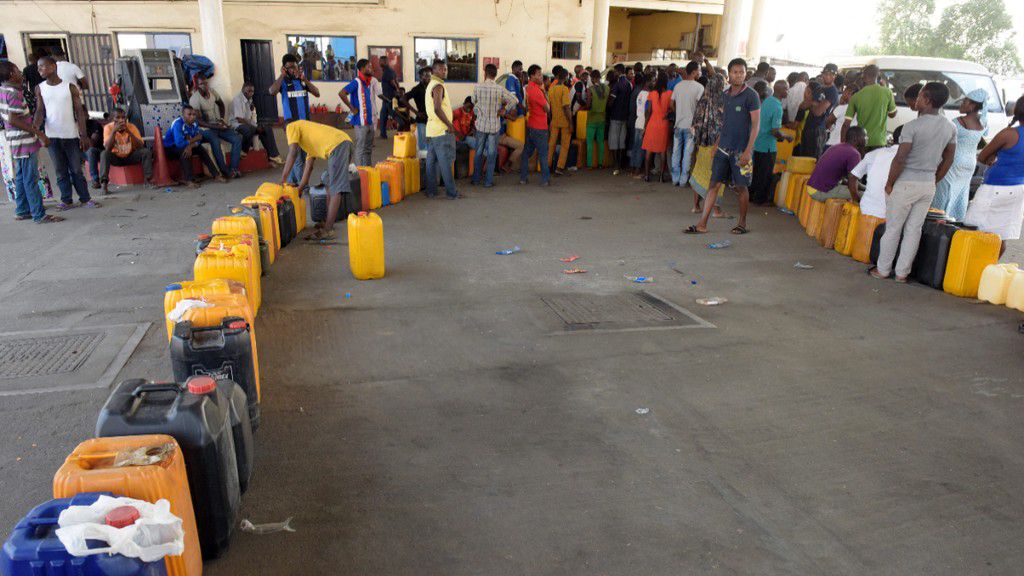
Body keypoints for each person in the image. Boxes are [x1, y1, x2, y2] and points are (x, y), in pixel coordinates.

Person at [871, 82, 956, 282]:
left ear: (927, 100)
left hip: (906, 182)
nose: (916, 100)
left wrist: (890, 183)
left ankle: (883, 270)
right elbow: (949, 158)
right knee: (913, 230)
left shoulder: (912, 127)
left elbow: (900, 158)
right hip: (928, 185)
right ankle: (902, 274)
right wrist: (935, 179)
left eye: (919, 96)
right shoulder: (950, 127)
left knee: (893, 228)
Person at [685, 58, 761, 235]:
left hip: (742, 151)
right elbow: (724, 124)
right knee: (713, 185)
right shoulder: (725, 95)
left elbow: (756, 124)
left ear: (746, 73)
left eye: (741, 72)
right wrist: (717, 144)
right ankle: (702, 224)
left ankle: (742, 224)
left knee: (741, 188)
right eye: (735, 72)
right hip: (722, 149)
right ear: (729, 74)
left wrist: (748, 151)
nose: (738, 75)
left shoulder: (751, 96)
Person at [33, 55, 98, 210]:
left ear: (53, 66)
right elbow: (40, 111)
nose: (39, 70)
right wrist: (35, 130)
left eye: (43, 66)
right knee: (60, 170)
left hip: (70, 135)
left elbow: (79, 112)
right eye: (38, 67)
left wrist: (83, 135)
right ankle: (66, 200)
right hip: (52, 137)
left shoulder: (70, 87)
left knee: (76, 169)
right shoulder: (40, 88)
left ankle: (85, 198)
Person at [0, 61, 61, 223]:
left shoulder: (3, 90)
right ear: (12, 74)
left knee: (21, 177)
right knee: (30, 179)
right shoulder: (14, 93)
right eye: (17, 70)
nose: (21, 73)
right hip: (24, 142)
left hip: (16, 141)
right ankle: (38, 214)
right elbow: (13, 119)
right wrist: (39, 133)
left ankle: (22, 209)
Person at [964, 97, 1024, 256]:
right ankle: (990, 268)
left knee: (973, 229)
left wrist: (994, 156)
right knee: (1001, 237)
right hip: (1019, 189)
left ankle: (969, 267)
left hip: (995, 187)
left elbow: (982, 156)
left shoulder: (1009, 134)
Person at [279, 120, 353, 241]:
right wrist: (300, 188)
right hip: (342, 143)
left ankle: (328, 230)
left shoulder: (292, 126)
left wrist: (282, 179)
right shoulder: (308, 142)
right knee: (328, 181)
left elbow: (292, 153)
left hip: (339, 145)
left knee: (335, 189)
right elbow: (309, 167)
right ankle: (328, 222)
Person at [932, 89, 987, 221]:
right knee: (960, 194)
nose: (961, 104)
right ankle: (956, 219)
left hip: (954, 162)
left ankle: (940, 220)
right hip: (970, 164)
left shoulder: (957, 122)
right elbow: (980, 143)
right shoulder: (983, 123)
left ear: (973, 105)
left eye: (965, 102)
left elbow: (944, 144)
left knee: (944, 192)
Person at [270, 53, 320, 186]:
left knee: (302, 156)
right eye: (289, 67)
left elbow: (317, 93)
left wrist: (305, 80)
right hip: (291, 125)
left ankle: (291, 182)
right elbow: (272, 91)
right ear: (284, 68)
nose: (293, 69)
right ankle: (304, 187)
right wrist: (282, 75)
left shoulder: (302, 81)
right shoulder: (283, 83)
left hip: (306, 124)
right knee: (298, 157)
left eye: (295, 66)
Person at [471, 63, 519, 187]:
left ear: (485, 73)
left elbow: (473, 102)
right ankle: (488, 182)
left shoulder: (477, 87)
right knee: (492, 154)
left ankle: (476, 180)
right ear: (495, 75)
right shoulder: (499, 89)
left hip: (481, 125)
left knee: (479, 152)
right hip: (494, 127)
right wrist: (504, 110)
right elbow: (515, 100)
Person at [689, 70, 727, 216]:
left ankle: (696, 206)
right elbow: (726, 123)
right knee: (717, 175)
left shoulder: (703, 100)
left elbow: (695, 122)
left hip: (703, 143)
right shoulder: (723, 101)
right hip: (718, 144)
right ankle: (716, 209)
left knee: (699, 172)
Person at [190, 75, 243, 179]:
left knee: (237, 138)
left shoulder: (212, 91)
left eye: (206, 83)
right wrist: (216, 126)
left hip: (217, 125)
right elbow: (198, 121)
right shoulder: (194, 99)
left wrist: (222, 120)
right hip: (205, 128)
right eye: (201, 84)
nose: (205, 86)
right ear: (197, 86)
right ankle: (225, 171)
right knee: (215, 141)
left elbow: (221, 104)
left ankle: (233, 169)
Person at [750, 80, 792, 205]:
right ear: (782, 90)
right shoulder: (778, 107)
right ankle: (760, 199)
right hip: (768, 146)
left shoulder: (767, 101)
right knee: (766, 174)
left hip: (758, 142)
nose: (788, 92)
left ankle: (751, 195)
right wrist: (786, 137)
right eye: (787, 89)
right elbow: (775, 131)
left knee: (757, 172)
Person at [163, 105, 223, 187]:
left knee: (201, 149)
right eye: (189, 114)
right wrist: (193, 141)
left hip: (186, 145)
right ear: (183, 115)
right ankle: (189, 180)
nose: (192, 116)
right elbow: (179, 143)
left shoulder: (195, 124)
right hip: (170, 149)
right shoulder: (178, 124)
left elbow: (199, 139)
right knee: (185, 151)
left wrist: (191, 146)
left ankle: (216, 175)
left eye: (194, 114)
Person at [99, 107, 154, 194]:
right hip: (116, 157)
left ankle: (148, 180)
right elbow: (108, 148)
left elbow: (140, 145)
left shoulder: (131, 126)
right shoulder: (108, 128)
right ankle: (104, 185)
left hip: (130, 156)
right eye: (117, 117)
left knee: (145, 152)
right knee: (104, 154)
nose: (121, 120)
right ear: (112, 119)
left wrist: (128, 131)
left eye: (123, 117)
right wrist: (114, 131)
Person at [339, 58, 381, 168]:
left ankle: (368, 170)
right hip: (360, 123)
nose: (371, 69)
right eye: (369, 67)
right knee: (360, 149)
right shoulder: (356, 82)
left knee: (368, 149)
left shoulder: (367, 82)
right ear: (362, 69)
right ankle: (359, 172)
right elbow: (342, 93)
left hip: (370, 121)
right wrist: (352, 108)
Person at [842, 65, 896, 151]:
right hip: (879, 141)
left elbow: (846, 124)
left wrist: (843, 146)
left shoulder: (856, 96)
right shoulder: (887, 92)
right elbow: (892, 114)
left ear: (863, 76)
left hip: (861, 142)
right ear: (878, 77)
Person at [425, 59, 458, 199]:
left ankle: (431, 191)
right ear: (434, 71)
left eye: (445, 69)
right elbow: (438, 108)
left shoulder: (431, 84)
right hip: (441, 130)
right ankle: (452, 193)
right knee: (445, 161)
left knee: (431, 162)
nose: (445, 71)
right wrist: (450, 125)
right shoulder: (438, 86)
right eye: (441, 69)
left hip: (432, 129)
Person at [806, 126, 865, 200]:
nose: (867, 139)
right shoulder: (854, 154)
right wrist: (858, 200)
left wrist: (865, 188)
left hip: (813, 187)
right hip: (820, 191)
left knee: (862, 191)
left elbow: (849, 180)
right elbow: (852, 181)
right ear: (856, 139)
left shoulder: (838, 146)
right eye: (865, 136)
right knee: (865, 196)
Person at [231, 82, 283, 166]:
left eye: (252, 91)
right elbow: (239, 119)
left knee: (266, 129)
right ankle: (244, 150)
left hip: (248, 124)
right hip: (237, 125)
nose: (250, 93)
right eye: (248, 91)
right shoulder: (237, 100)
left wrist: (257, 126)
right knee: (249, 129)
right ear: (243, 90)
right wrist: (254, 127)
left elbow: (250, 117)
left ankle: (273, 156)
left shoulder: (249, 99)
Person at [670, 61, 704, 187]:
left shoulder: (678, 86)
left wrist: (679, 113)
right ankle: (684, 180)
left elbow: (671, 104)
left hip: (678, 124)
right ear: (694, 72)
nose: (700, 72)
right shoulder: (699, 88)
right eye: (699, 70)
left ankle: (675, 179)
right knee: (687, 154)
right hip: (692, 127)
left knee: (676, 152)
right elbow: (701, 107)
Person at [520, 64, 551, 186]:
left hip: (531, 125)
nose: (541, 76)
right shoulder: (537, 91)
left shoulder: (528, 88)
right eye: (538, 74)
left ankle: (523, 178)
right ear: (532, 76)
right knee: (543, 155)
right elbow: (548, 109)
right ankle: (545, 180)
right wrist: (544, 92)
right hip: (540, 127)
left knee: (526, 153)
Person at [642, 71, 672, 183]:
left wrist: (645, 126)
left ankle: (646, 175)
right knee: (663, 151)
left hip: (652, 124)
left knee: (648, 151)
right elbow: (671, 108)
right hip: (663, 124)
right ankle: (661, 177)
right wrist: (667, 112)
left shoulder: (652, 93)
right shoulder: (669, 93)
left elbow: (648, 111)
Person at [607, 64, 633, 175]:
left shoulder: (617, 85)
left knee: (614, 141)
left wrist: (608, 107)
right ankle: (621, 164)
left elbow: (611, 102)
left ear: (618, 71)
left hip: (615, 116)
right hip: (625, 116)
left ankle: (616, 165)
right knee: (622, 141)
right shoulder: (629, 84)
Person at [547, 67, 573, 176]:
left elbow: (549, 107)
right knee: (564, 145)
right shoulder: (564, 89)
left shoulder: (551, 89)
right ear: (566, 77)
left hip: (554, 120)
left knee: (551, 144)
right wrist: (571, 123)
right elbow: (566, 107)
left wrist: (550, 120)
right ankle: (559, 167)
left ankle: (547, 166)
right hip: (564, 121)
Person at [794, 81, 830, 159]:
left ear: (809, 92)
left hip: (803, 139)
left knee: (805, 160)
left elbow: (795, 125)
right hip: (820, 135)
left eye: (806, 90)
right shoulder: (822, 104)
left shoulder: (805, 105)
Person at [404, 67, 432, 156]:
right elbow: (403, 98)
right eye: (426, 75)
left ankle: (430, 163)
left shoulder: (432, 87)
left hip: (432, 120)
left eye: (430, 76)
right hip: (422, 120)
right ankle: (423, 165)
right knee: (423, 144)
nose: (428, 78)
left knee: (431, 143)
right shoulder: (416, 89)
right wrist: (416, 112)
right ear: (420, 77)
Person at [585, 70, 608, 169]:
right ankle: (600, 163)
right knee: (600, 142)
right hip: (602, 118)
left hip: (592, 118)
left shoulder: (590, 89)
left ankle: (590, 164)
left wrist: (586, 106)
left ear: (593, 78)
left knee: (590, 142)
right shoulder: (607, 88)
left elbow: (588, 104)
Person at [824, 83, 856, 153]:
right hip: (850, 147)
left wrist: (831, 128)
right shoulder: (859, 110)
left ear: (849, 93)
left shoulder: (841, 108)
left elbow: (827, 122)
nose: (843, 93)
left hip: (833, 144)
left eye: (845, 91)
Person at [21, 49, 46, 115]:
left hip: (34, 89)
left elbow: (25, 82)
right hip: (44, 87)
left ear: (29, 60)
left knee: (38, 104)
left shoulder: (26, 69)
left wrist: (27, 93)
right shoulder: (41, 67)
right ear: (37, 59)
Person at [379, 62, 398, 139]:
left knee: (388, 115)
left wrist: (397, 89)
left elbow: (393, 82)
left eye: (380, 61)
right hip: (388, 97)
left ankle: (383, 134)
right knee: (385, 115)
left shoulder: (387, 72)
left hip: (388, 98)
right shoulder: (391, 71)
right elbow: (395, 81)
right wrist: (398, 90)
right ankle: (383, 134)